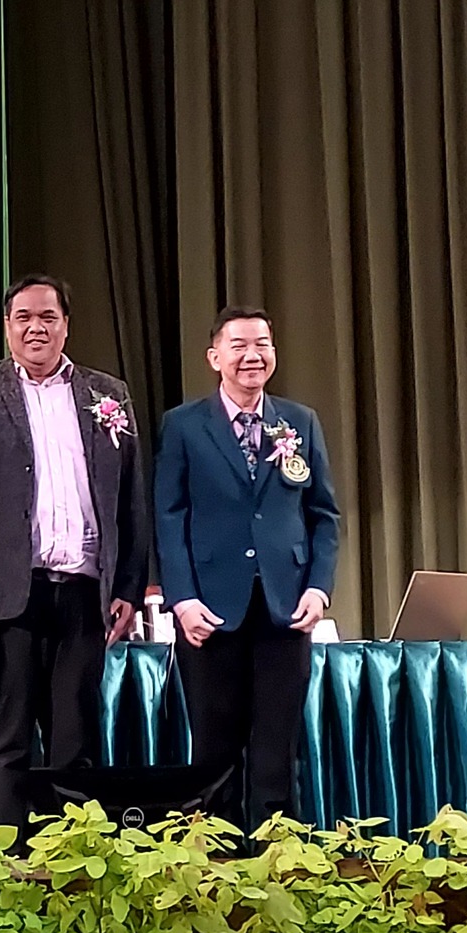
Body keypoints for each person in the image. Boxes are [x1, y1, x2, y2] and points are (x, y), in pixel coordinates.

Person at [0, 274, 149, 835]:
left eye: (48, 317)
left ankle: (72, 859)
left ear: (66, 325)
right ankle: (0, 860)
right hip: (6, 596)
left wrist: (128, 587)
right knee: (7, 738)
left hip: (85, 594)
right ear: (7, 326)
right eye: (24, 318)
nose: (36, 328)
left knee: (75, 739)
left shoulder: (107, 394)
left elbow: (130, 498)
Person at [153, 306, 341, 828]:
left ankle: (279, 852)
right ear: (215, 357)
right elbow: (168, 517)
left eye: (262, 344)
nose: (252, 355)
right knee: (215, 747)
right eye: (238, 345)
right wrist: (182, 600)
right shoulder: (184, 425)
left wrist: (318, 588)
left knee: (277, 747)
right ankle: (217, 851)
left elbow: (324, 515)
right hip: (209, 609)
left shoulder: (299, 421)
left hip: (286, 607)